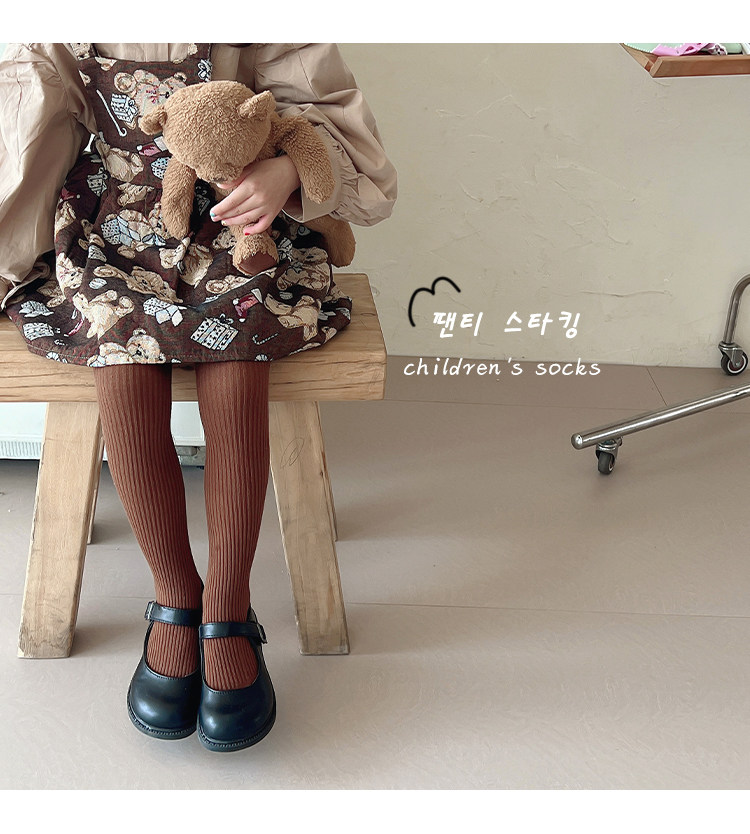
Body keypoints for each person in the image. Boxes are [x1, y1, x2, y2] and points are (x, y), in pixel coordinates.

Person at [0, 42, 397, 752]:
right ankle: (176, 597)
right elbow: (33, 125)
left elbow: (320, 104)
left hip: (236, 220)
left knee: (238, 361)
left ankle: (229, 607)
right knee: (121, 359)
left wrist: (285, 171)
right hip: (114, 228)